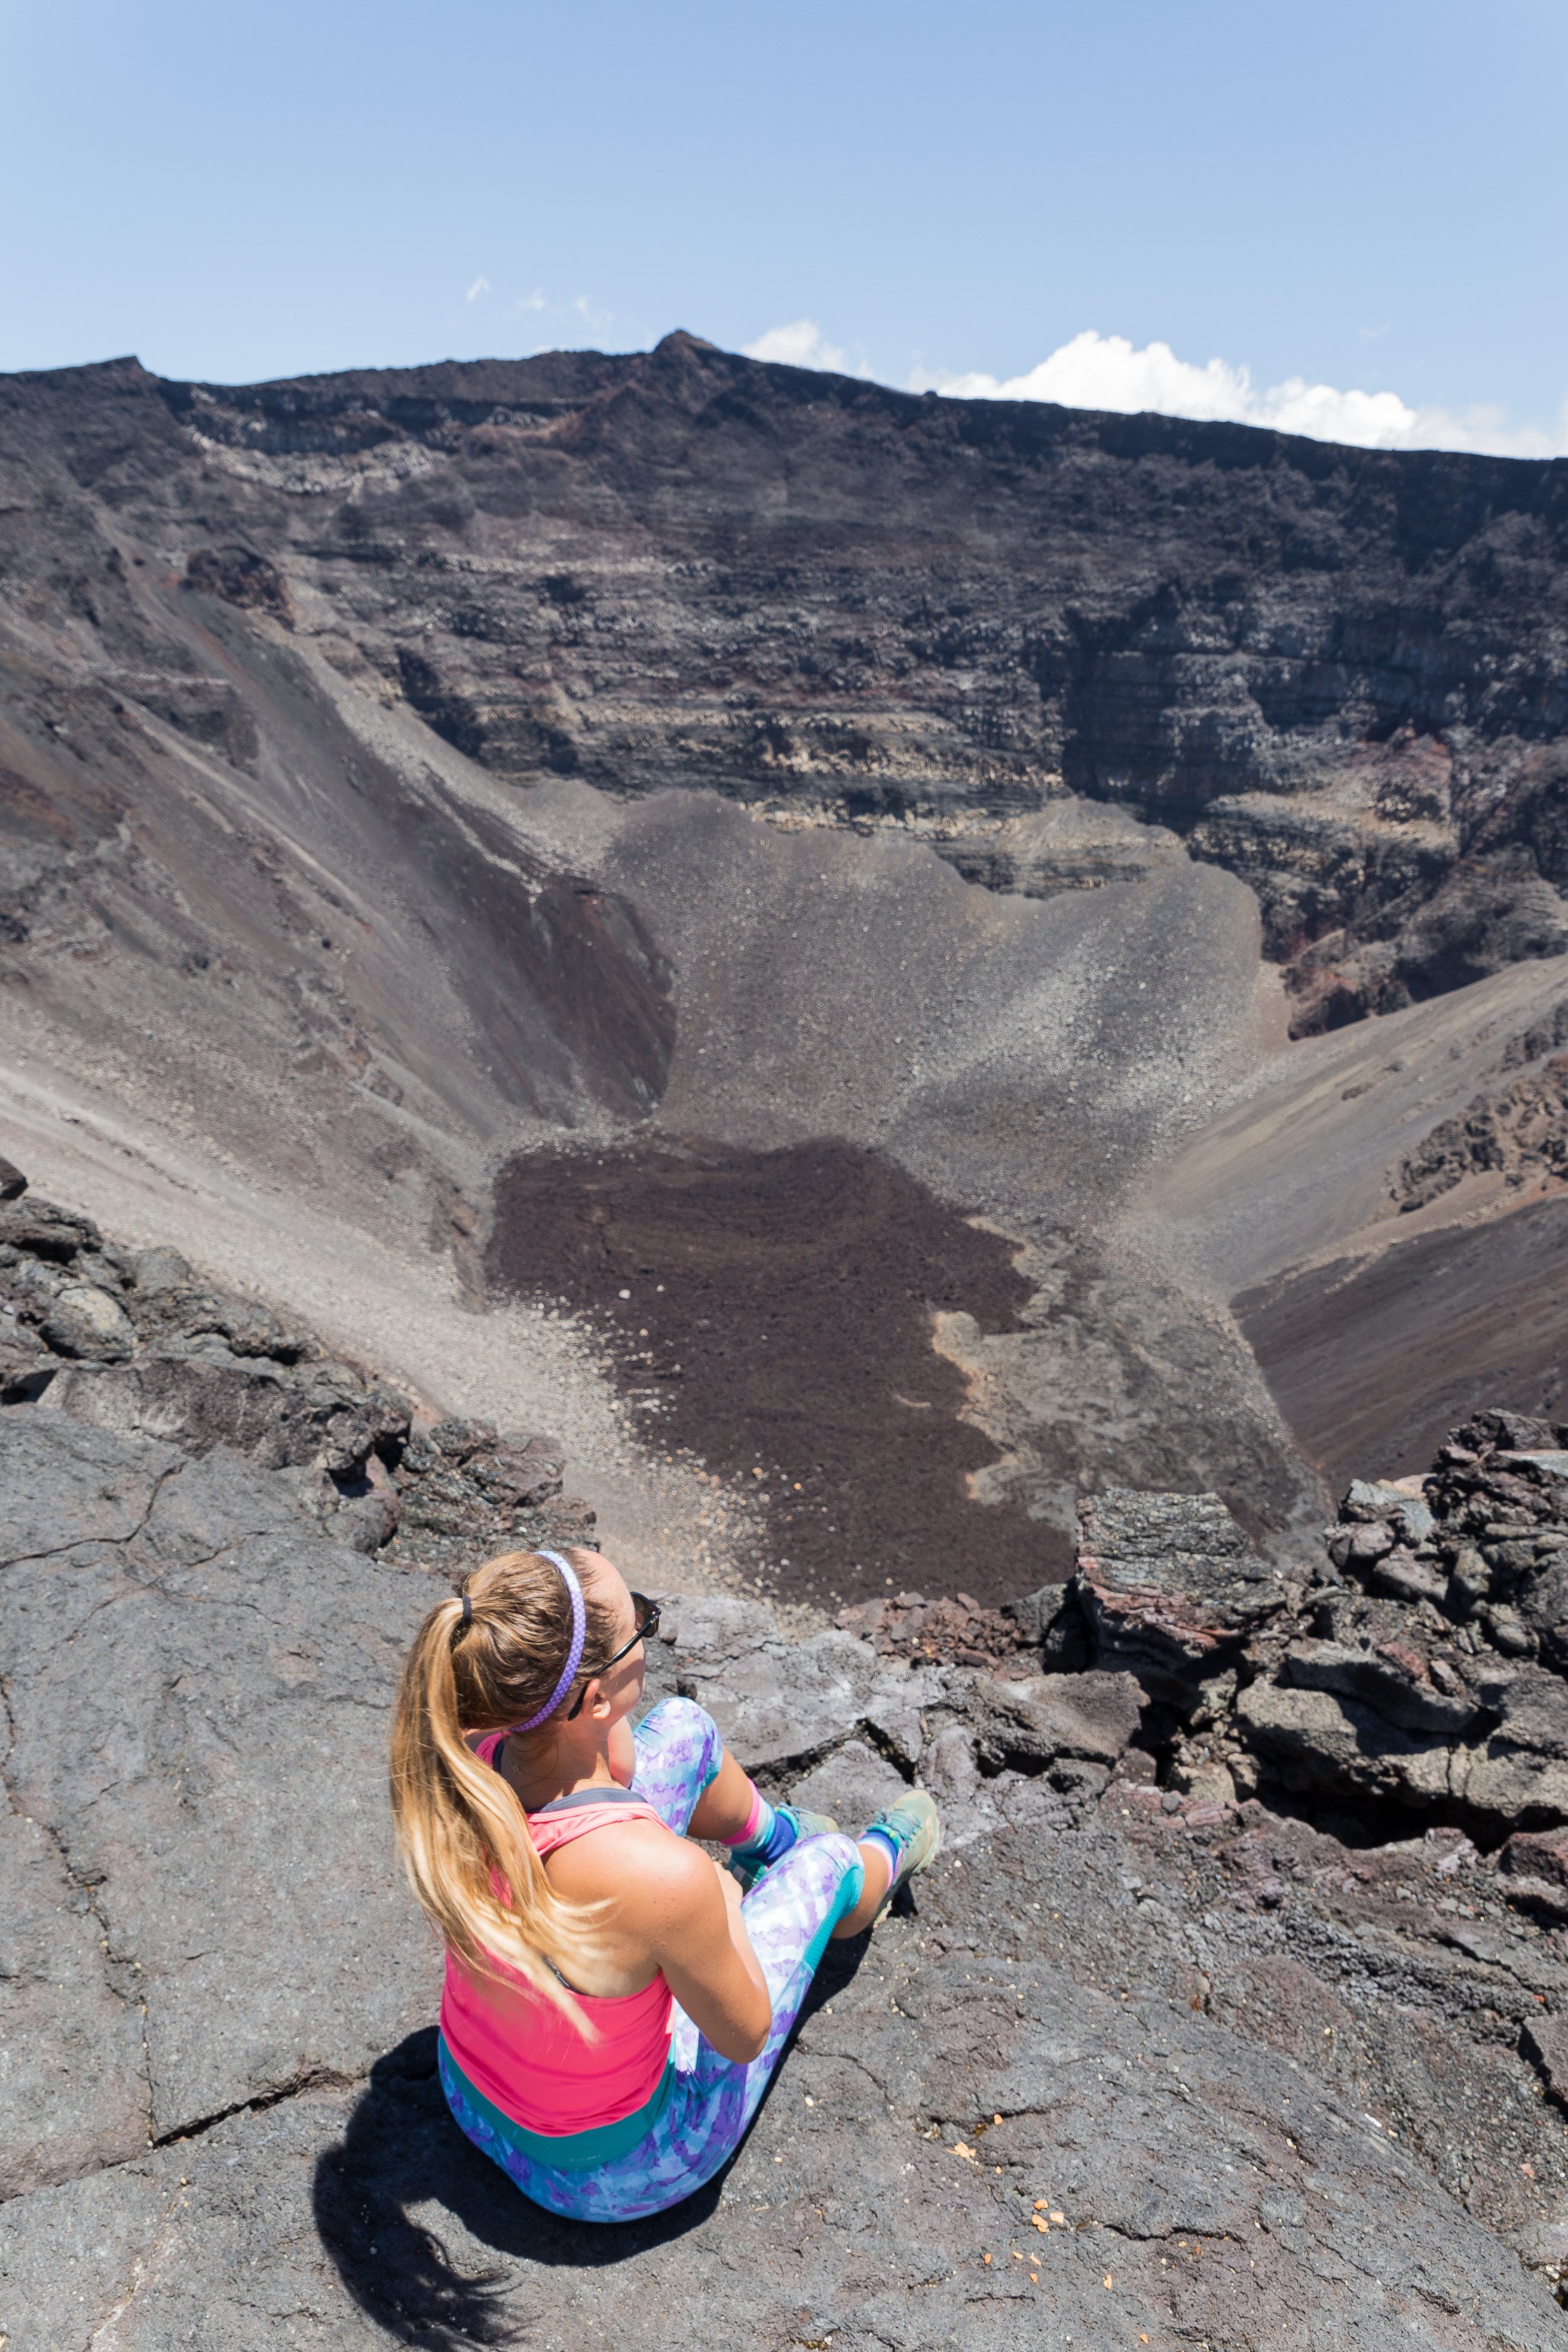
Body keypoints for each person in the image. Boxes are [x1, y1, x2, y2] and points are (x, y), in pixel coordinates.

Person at [389, 1543, 940, 2223]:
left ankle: (769, 1837)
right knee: (824, 1862)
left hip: (474, 2098)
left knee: (683, 1727)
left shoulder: (463, 1755)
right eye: (641, 1626)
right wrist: (725, 1902)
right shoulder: (666, 1879)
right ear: (592, 1699)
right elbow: (742, 2036)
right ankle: (868, 1873)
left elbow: (595, 1780)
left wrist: (608, 1744)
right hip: (608, 2169)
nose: (650, 1634)